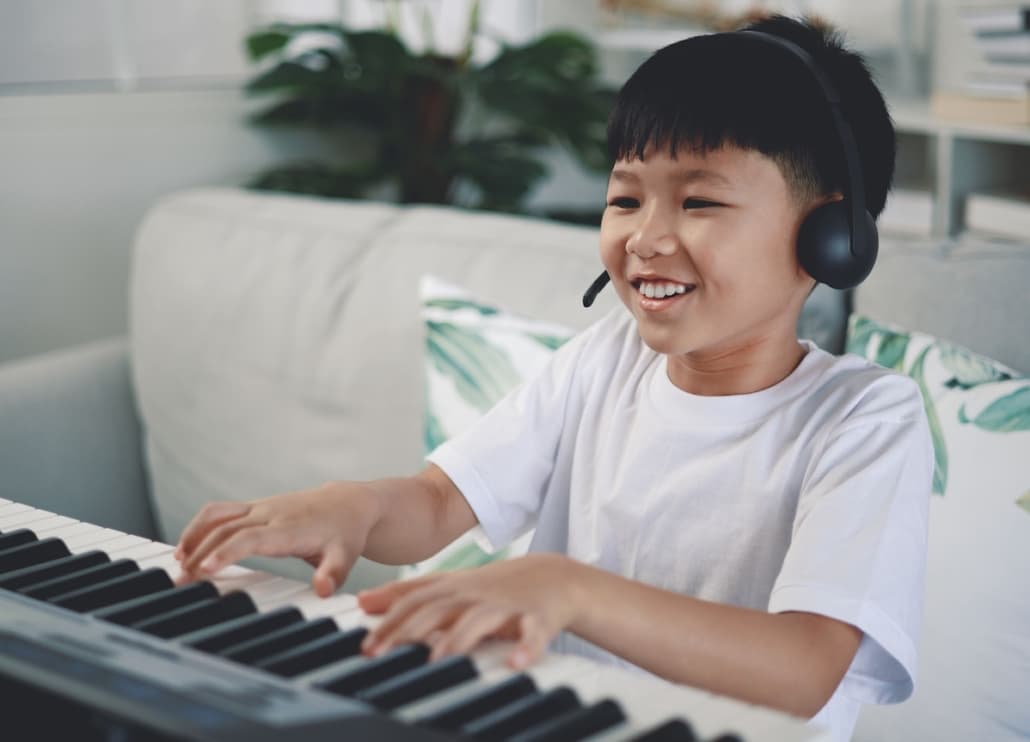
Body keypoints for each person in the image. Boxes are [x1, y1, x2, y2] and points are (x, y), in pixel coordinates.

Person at [174, 15, 933, 741]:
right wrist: (355, 505)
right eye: (625, 198)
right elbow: (439, 503)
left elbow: (804, 667)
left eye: (700, 201)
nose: (645, 237)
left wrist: (570, 589)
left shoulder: (864, 418)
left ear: (830, 236)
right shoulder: (603, 363)